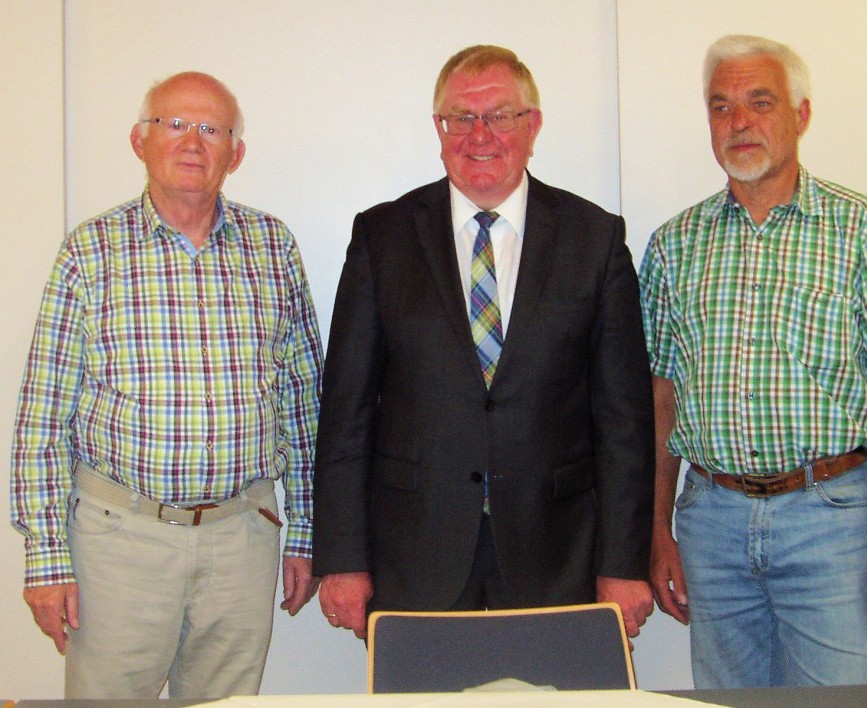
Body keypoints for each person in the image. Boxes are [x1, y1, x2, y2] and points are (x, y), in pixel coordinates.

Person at [638, 34, 867, 688]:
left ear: (801, 115)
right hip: (711, 522)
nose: (740, 122)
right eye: (722, 107)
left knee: (839, 703)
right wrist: (657, 528)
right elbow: (660, 395)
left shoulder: (861, 227)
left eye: (761, 102)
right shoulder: (673, 245)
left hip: (830, 520)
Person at [313, 45, 655, 639]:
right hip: (416, 549)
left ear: (533, 125)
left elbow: (624, 420)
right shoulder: (382, 236)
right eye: (460, 118)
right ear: (438, 129)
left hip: (558, 549)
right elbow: (346, 412)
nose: (480, 135)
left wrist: (623, 564)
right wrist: (342, 556)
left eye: (499, 115)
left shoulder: (594, 239)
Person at [10, 71, 324, 699]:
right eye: (173, 124)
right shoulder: (89, 252)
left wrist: (310, 532)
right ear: (139, 141)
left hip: (242, 537)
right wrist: (47, 558)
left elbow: (305, 403)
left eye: (212, 129)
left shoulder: (273, 248)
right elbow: (42, 418)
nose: (192, 142)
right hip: (118, 543)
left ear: (235, 153)